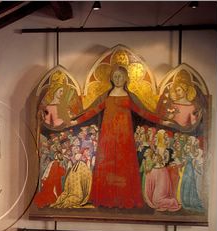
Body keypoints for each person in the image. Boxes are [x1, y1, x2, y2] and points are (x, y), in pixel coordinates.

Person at [71, 66, 169, 208]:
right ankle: (106, 199)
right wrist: (77, 121)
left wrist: (160, 121)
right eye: (115, 76)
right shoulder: (107, 96)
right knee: (107, 163)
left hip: (124, 136)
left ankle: (125, 198)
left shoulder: (129, 97)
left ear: (126, 79)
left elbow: (142, 112)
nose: (118, 79)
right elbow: (94, 110)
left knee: (125, 165)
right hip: (108, 136)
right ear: (111, 78)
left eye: (121, 76)